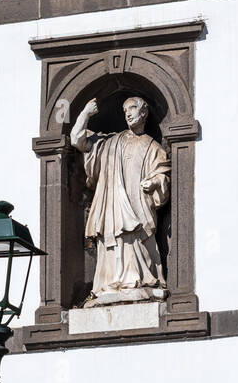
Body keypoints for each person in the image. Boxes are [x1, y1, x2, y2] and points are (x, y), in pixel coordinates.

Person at [70, 95, 171, 303]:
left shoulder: (154, 148)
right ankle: (109, 285)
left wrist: (154, 183)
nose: (128, 113)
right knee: (112, 244)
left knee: (137, 245)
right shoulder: (108, 142)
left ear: (144, 113)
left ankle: (141, 282)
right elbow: (76, 139)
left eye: (132, 108)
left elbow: (163, 175)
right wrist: (85, 114)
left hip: (138, 208)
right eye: (125, 110)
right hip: (111, 208)